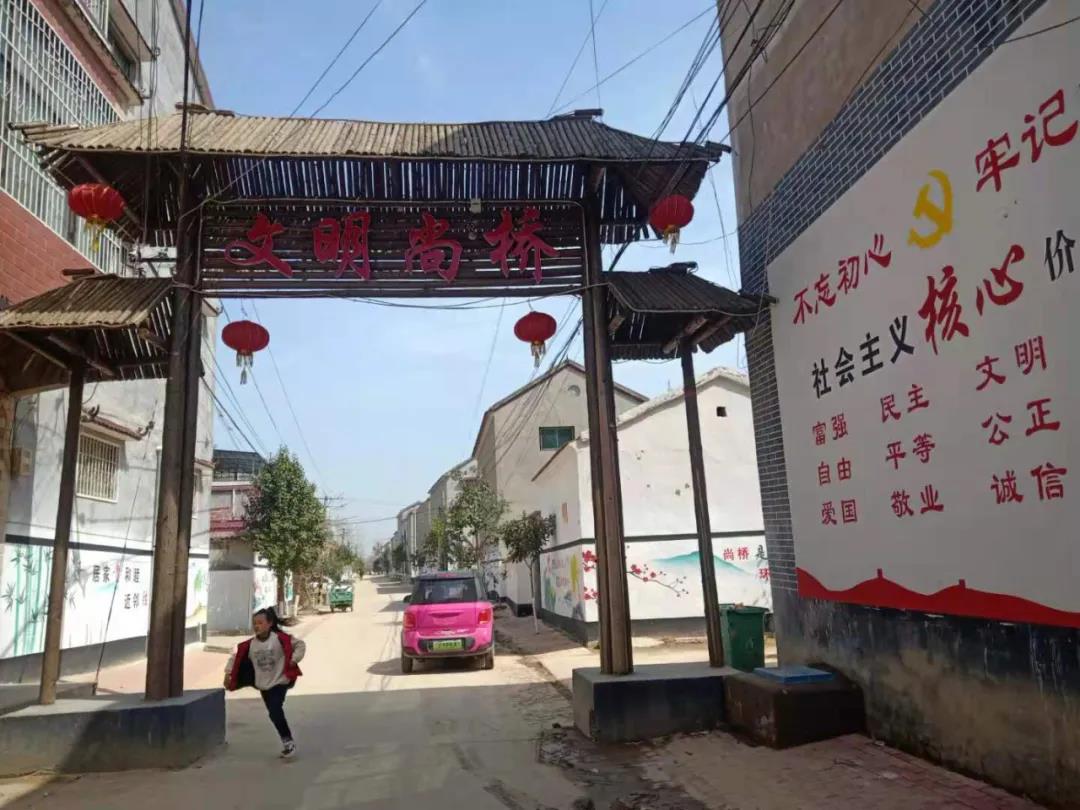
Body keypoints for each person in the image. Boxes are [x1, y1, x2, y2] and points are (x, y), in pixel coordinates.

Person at [224, 607, 306, 758]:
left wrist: (294, 660)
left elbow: (300, 645)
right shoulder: (249, 645)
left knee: (275, 710)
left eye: (260, 623)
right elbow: (235, 658)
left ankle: (288, 742)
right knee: (273, 714)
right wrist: (228, 674)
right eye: (254, 623)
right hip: (263, 685)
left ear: (269, 624)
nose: (257, 626)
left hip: (280, 682)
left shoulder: (280, 638)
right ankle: (287, 741)